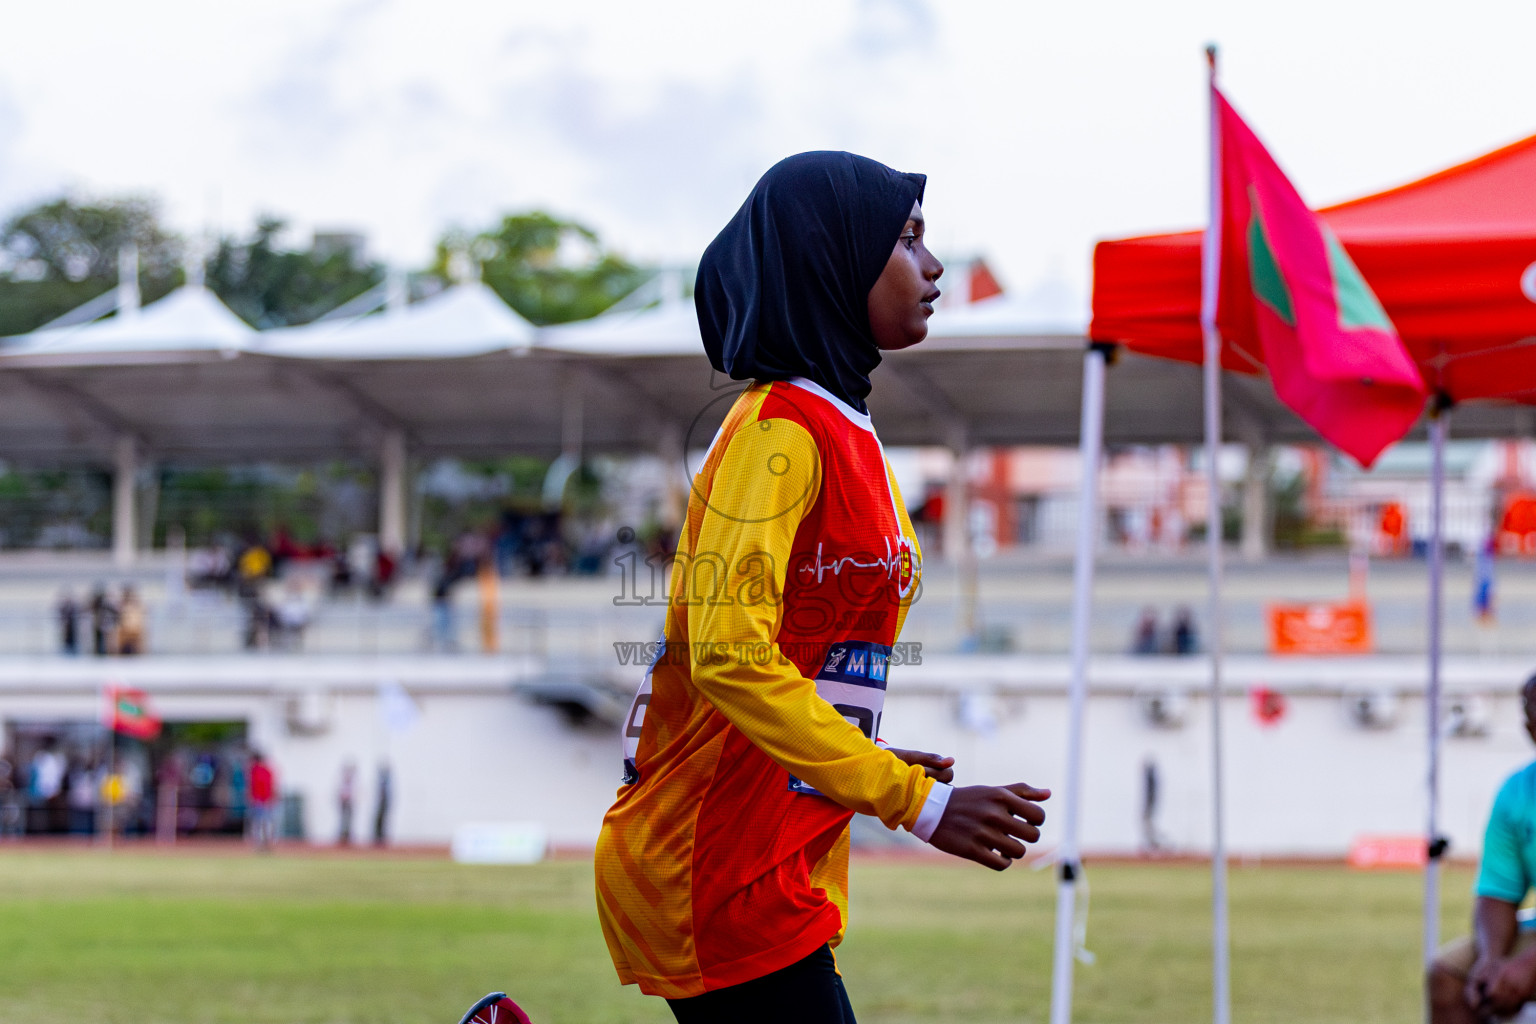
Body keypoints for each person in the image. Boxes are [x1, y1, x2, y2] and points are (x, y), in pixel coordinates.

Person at [594, 152, 1051, 1022]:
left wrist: (862, 761)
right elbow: (730, 655)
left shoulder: (848, 429)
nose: (934, 264)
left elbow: (803, 654)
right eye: (907, 237)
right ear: (829, 259)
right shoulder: (778, 432)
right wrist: (914, 801)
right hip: (711, 858)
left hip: (779, 848)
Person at [1430, 673, 1536, 1022]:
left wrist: (1528, 964)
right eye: (1530, 706)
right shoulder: (1517, 792)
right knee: (1449, 974)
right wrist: (1491, 959)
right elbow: (1497, 891)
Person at [246, 750, 276, 851]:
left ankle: (261, 844)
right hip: (265, 800)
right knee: (265, 823)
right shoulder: (266, 770)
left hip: (260, 801)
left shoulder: (256, 771)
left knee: (259, 823)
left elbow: (257, 786)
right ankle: (266, 844)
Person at [116, 586, 146, 656]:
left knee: (136, 651)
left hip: (135, 629)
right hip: (124, 630)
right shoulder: (122, 605)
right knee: (123, 651)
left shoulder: (137, 605)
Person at [337, 760, 356, 846]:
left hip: (349, 803)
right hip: (343, 803)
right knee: (343, 820)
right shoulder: (342, 781)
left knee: (349, 820)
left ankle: (348, 837)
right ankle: (342, 837)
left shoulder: (352, 782)